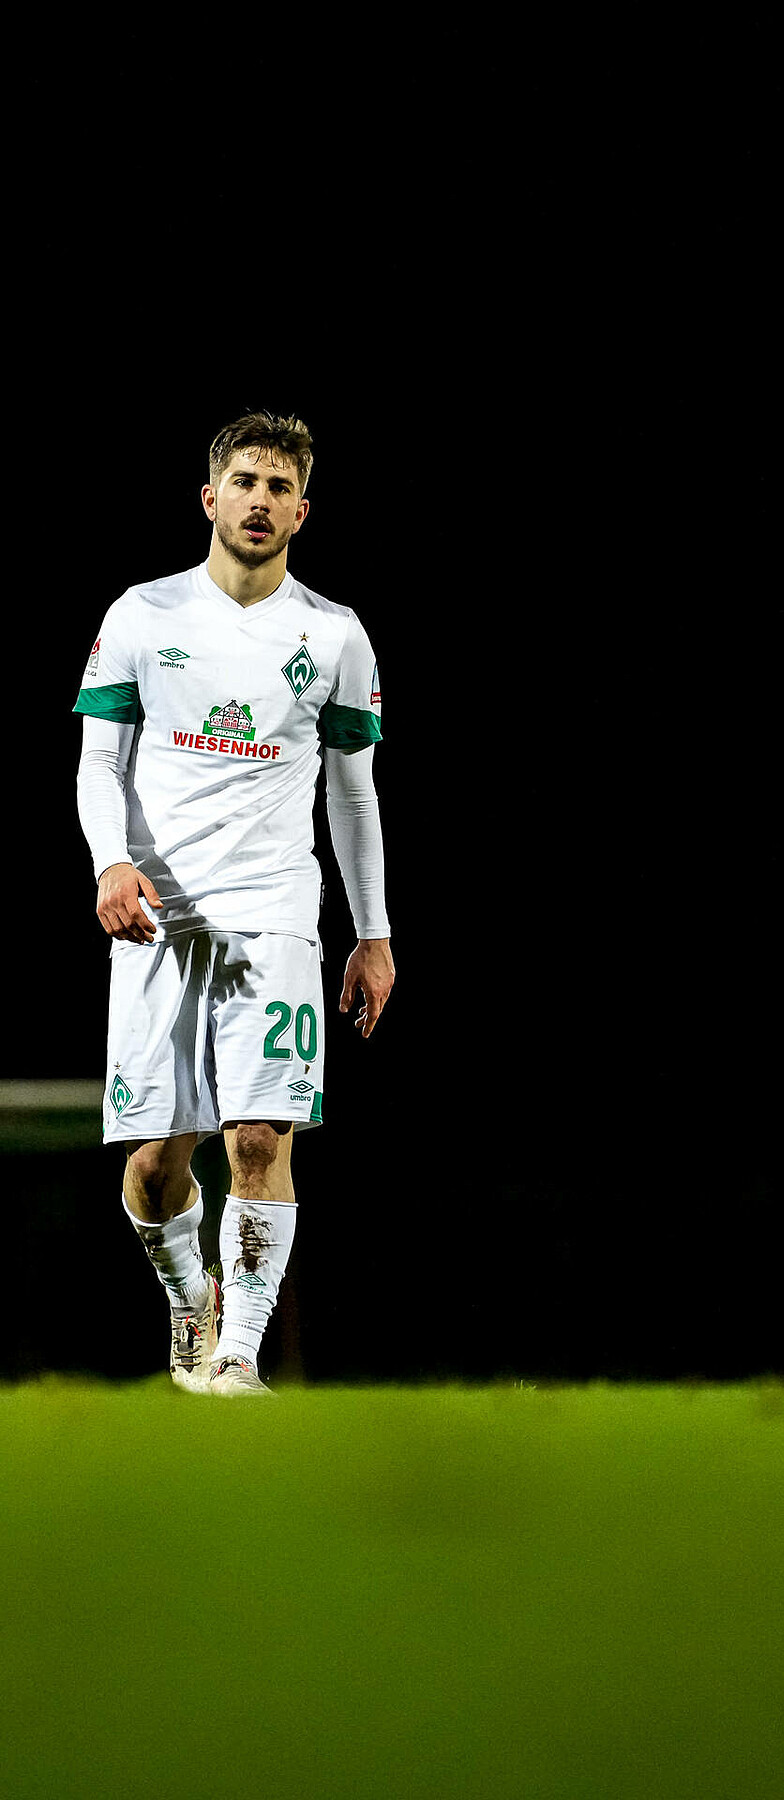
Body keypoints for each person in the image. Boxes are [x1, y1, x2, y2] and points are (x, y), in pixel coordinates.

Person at [73, 410, 393, 1395]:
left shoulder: (335, 633)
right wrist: (109, 864)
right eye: (244, 481)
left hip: (277, 919)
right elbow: (98, 759)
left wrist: (371, 932)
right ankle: (188, 1301)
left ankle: (239, 1355)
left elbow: (352, 791)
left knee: (259, 1137)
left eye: (279, 485)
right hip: (160, 919)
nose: (260, 500)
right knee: (155, 1168)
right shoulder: (142, 615)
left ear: (304, 507)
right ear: (210, 497)